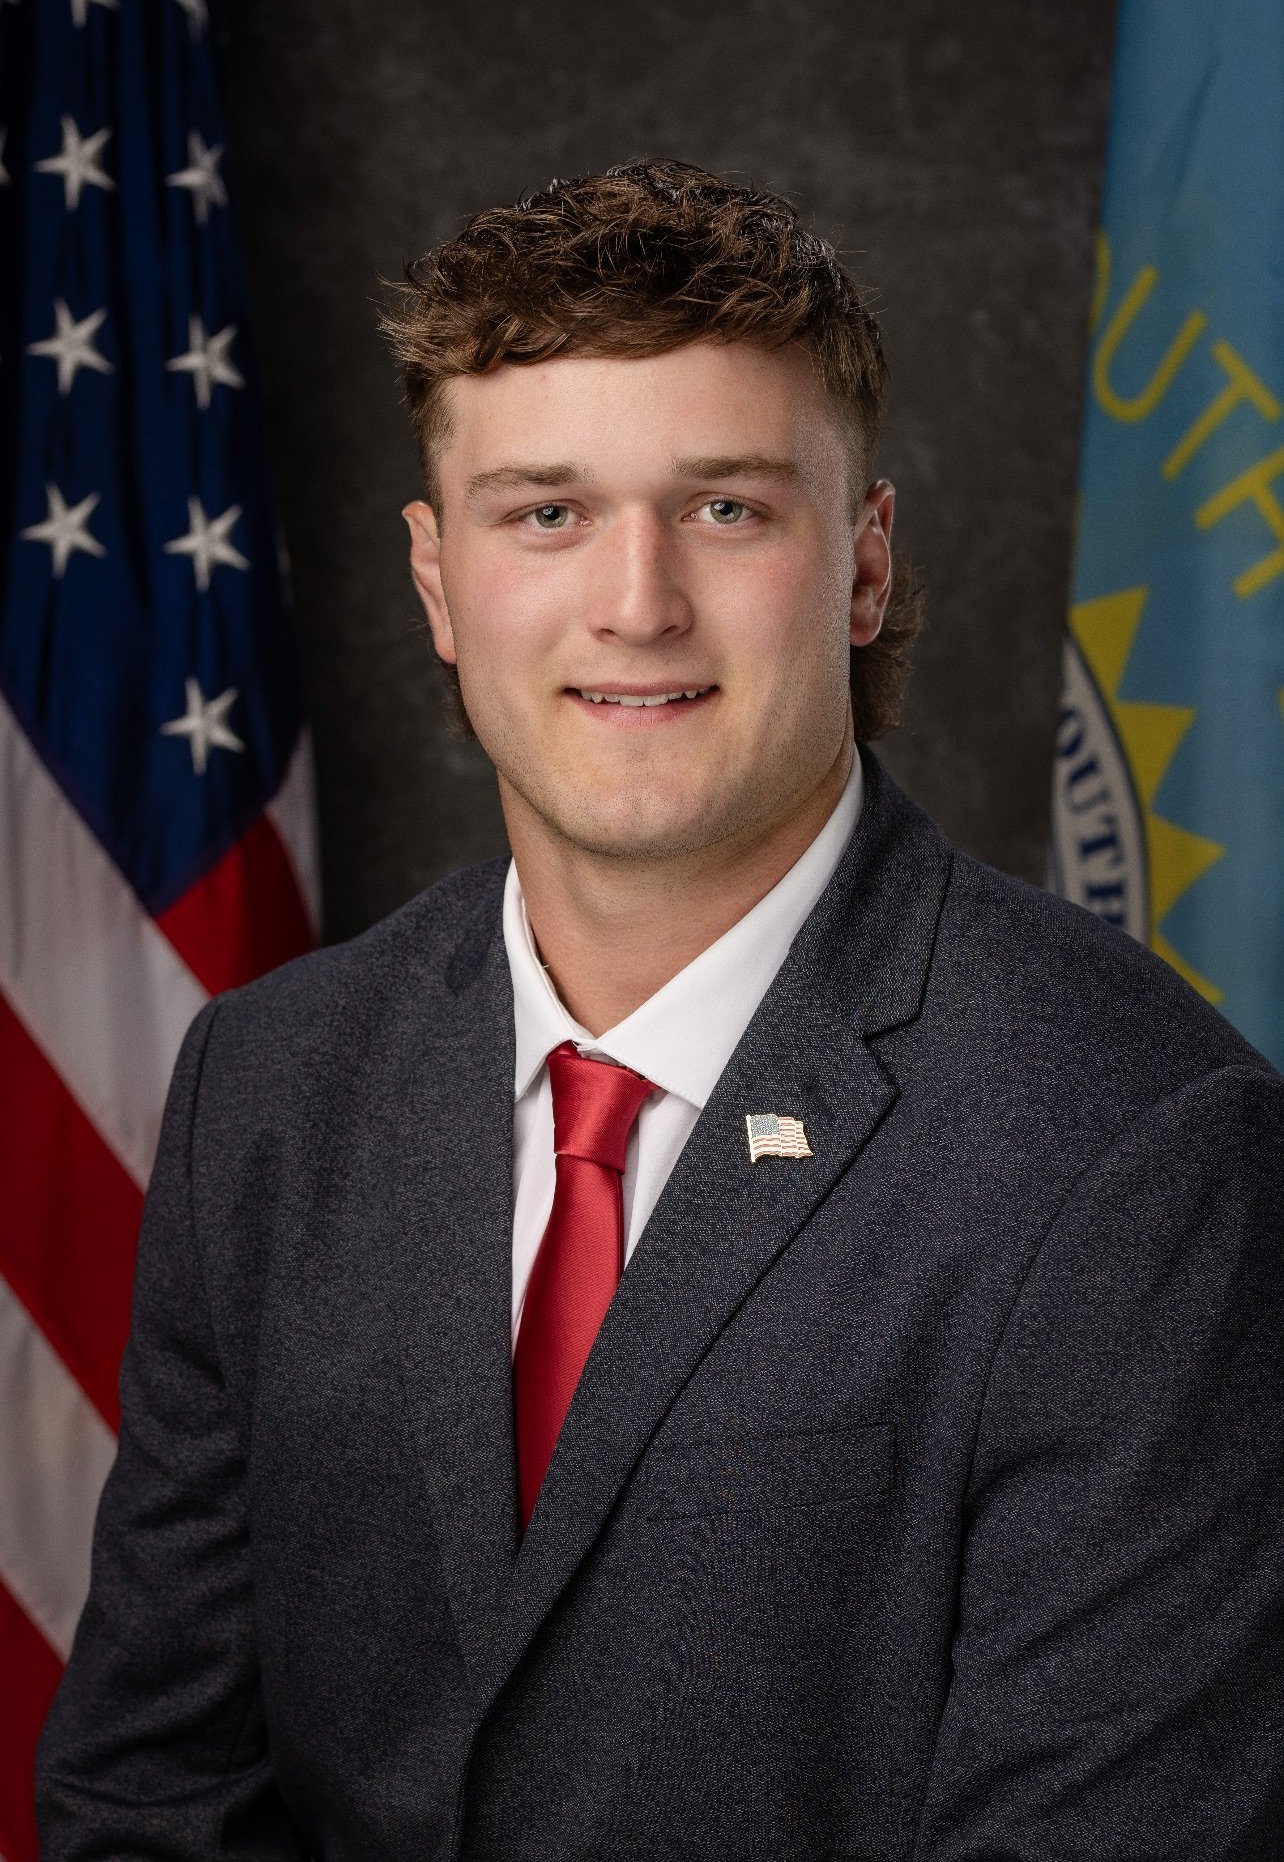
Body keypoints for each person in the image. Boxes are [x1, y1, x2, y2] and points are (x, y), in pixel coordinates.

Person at [38, 160, 1284, 1859]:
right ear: (436, 583)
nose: (637, 602)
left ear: (862, 563)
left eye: (726, 508)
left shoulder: (1133, 1145)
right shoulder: (267, 1087)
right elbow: (148, 1800)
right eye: (544, 510)